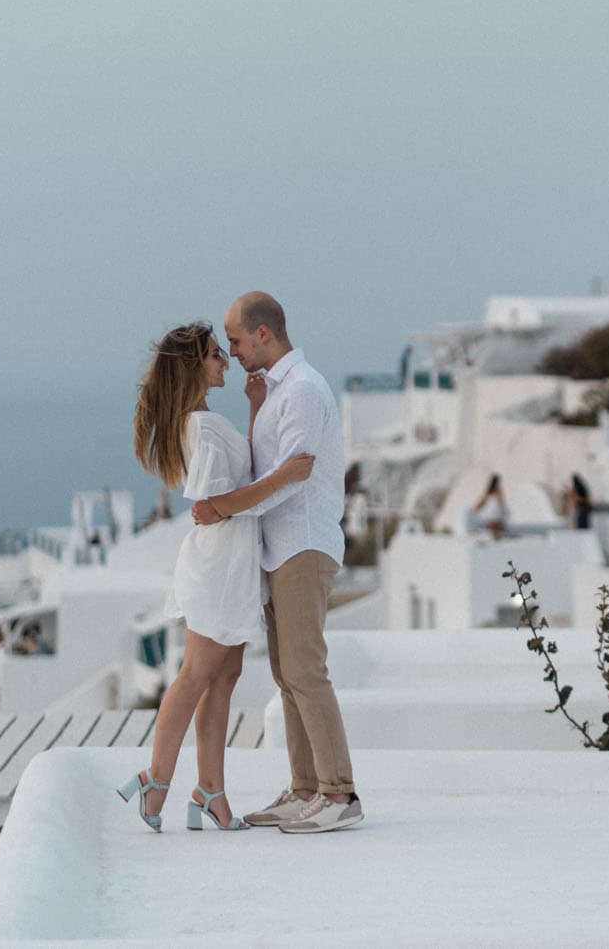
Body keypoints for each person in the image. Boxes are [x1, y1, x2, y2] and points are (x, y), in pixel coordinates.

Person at [114, 322, 315, 832]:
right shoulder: (199, 426)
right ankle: (155, 779)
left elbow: (234, 482)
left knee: (223, 678)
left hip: (232, 567)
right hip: (216, 568)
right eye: (214, 356)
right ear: (194, 366)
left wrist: (253, 408)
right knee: (196, 677)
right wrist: (285, 476)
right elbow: (211, 506)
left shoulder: (205, 419)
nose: (226, 362)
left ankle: (210, 791)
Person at [194, 291, 361, 833]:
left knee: (305, 670)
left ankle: (339, 793)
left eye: (237, 339)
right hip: (279, 547)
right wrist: (253, 408)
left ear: (263, 333)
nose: (232, 350)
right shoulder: (278, 391)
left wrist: (222, 509)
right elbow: (263, 466)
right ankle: (306, 788)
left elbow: (292, 477)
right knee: (287, 674)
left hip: (303, 544)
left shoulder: (306, 389)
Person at [471, 475, 508, 539]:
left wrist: (504, 510)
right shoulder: (494, 492)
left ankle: (496, 536)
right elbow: (482, 501)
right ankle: (495, 536)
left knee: (495, 525)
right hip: (492, 513)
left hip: (494, 513)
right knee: (494, 525)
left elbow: (501, 502)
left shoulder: (495, 491)